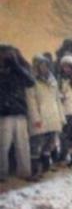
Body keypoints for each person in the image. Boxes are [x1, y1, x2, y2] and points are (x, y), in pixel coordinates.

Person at [0, 45, 36, 182]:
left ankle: (25, 171)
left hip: (19, 111)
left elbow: (30, 82)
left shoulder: (18, 70)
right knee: (3, 145)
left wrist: (15, 65)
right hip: (4, 114)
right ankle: (2, 173)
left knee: (22, 145)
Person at [27, 55, 65, 179]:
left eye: (45, 65)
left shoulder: (52, 81)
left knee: (50, 144)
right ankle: (35, 170)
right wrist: (36, 118)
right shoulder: (32, 81)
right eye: (41, 65)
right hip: (41, 118)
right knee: (37, 145)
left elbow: (57, 100)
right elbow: (31, 101)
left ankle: (44, 167)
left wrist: (61, 117)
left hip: (53, 116)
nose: (44, 67)